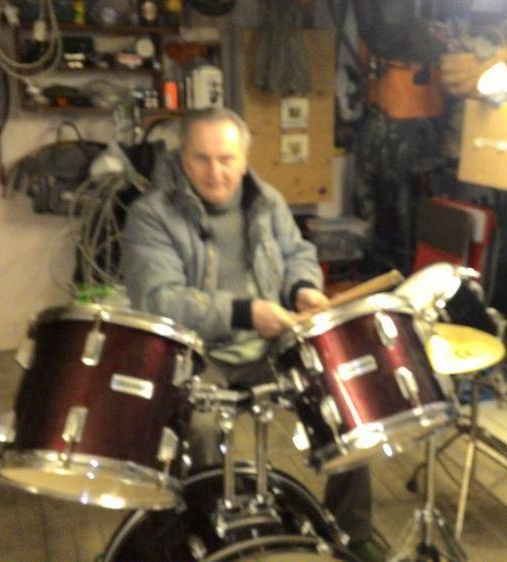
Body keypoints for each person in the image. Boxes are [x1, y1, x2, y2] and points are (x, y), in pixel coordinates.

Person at [122, 107, 384, 561]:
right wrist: (245, 312)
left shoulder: (267, 202)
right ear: (182, 157)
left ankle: (352, 530)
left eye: (226, 159)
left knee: (346, 395)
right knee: (202, 427)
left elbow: (298, 253)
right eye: (201, 159)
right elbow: (159, 299)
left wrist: (302, 288)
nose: (215, 172)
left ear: (244, 159)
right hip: (198, 353)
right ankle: (207, 539)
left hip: (270, 345)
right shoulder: (151, 215)